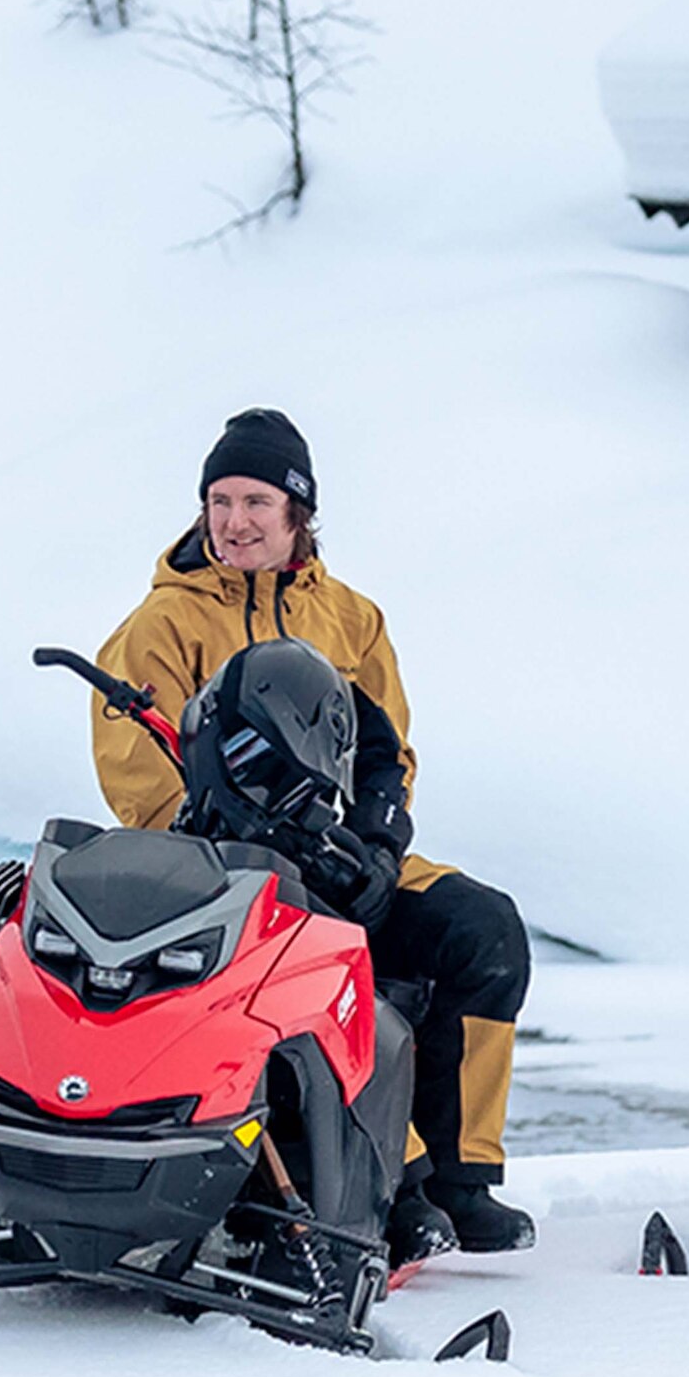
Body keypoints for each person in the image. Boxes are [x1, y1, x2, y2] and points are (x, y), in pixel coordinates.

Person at [94, 409, 537, 1257]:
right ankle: (389, 1187)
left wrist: (376, 846)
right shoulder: (159, 628)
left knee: (482, 927)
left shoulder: (351, 619)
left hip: (336, 855)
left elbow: (386, 748)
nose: (234, 521)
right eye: (219, 501)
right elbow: (142, 784)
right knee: (333, 956)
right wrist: (260, 837)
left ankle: (460, 1178)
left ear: (299, 512)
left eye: (255, 499)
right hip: (219, 871)